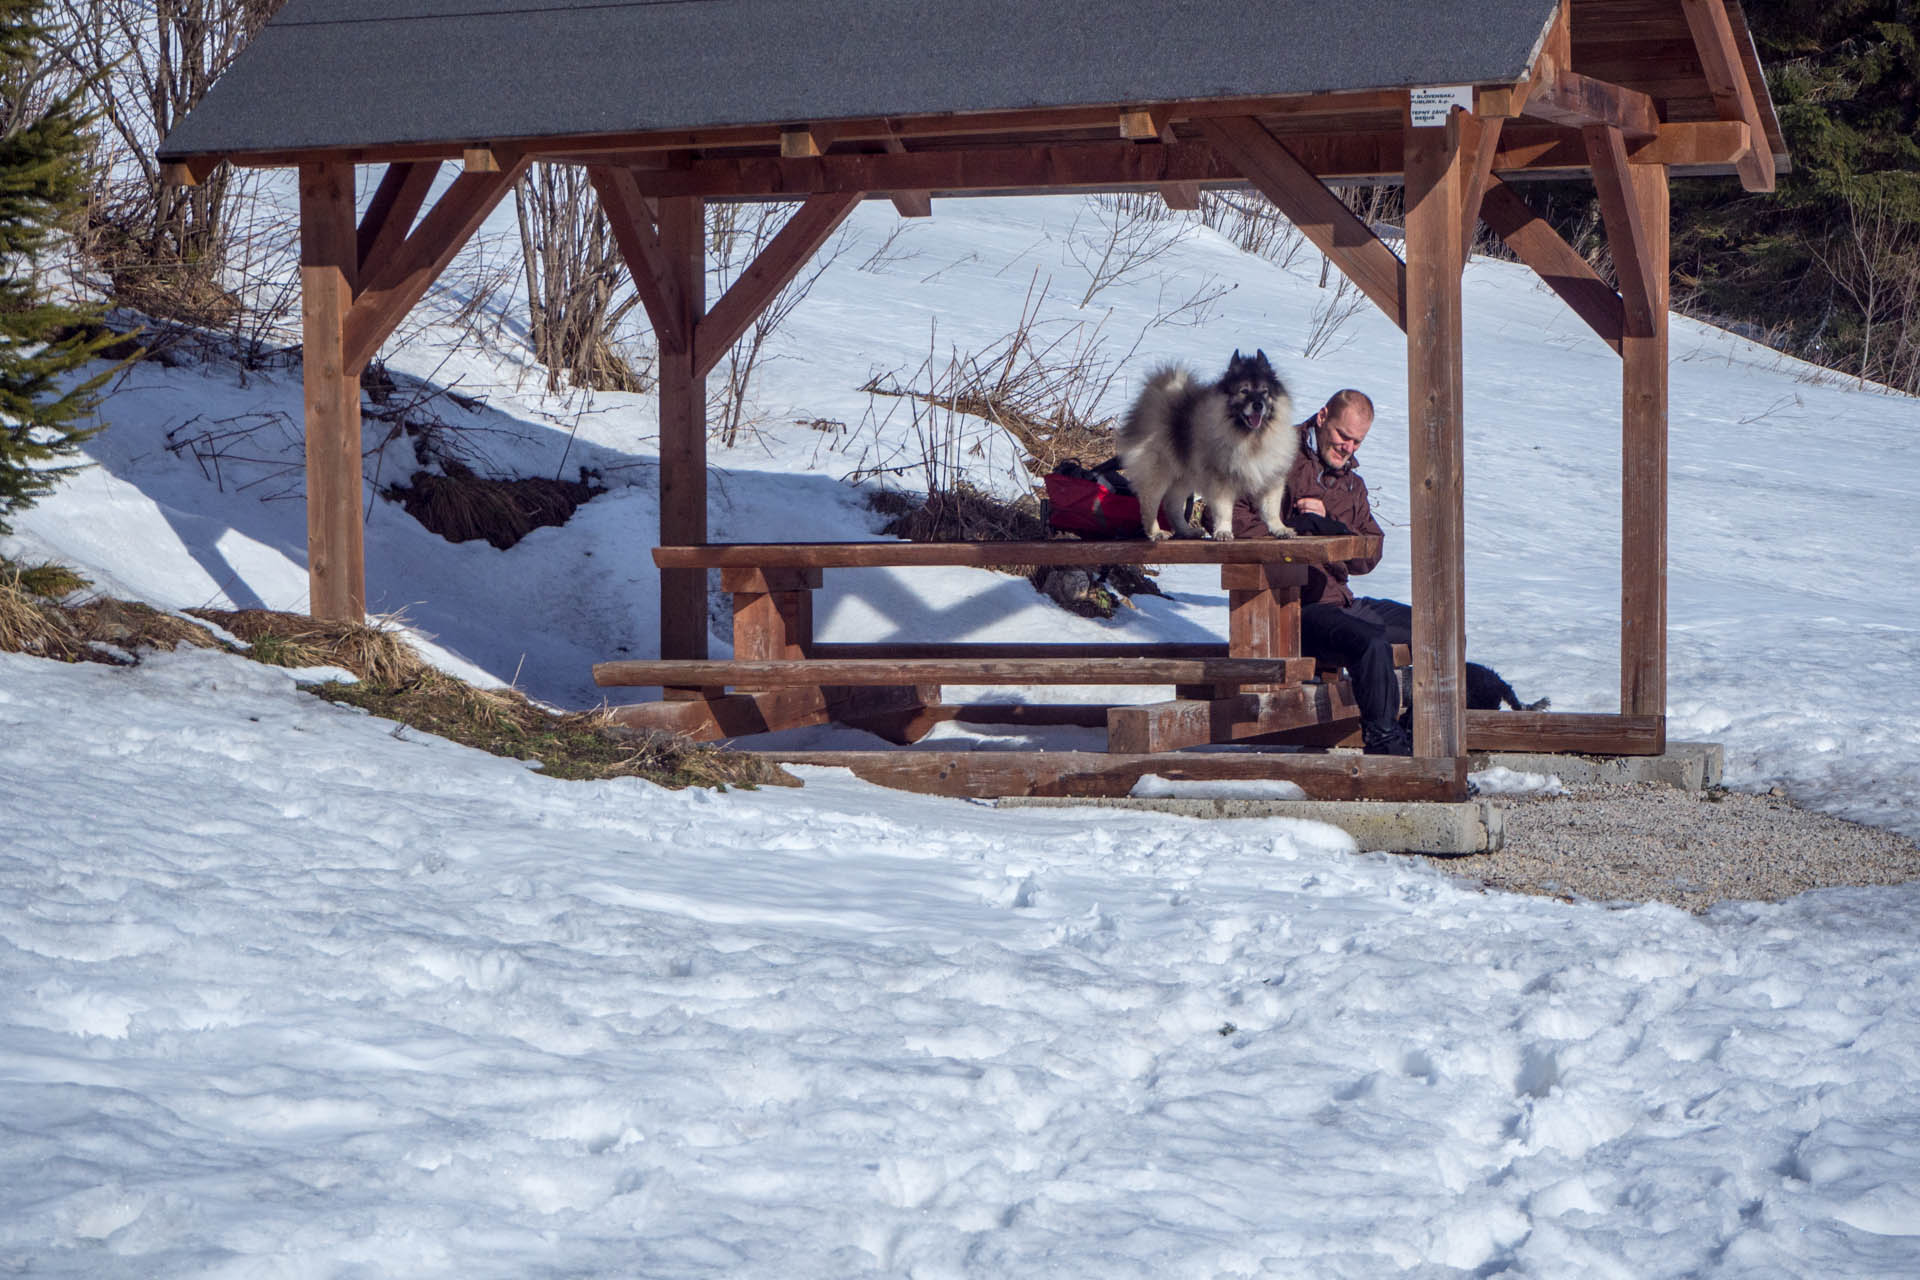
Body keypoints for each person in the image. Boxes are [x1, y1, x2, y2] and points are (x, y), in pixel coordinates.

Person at [1232, 389, 1414, 756]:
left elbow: (1369, 552)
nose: (1348, 447)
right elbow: (1233, 515)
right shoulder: (1276, 454)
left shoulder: (1351, 484)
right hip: (1295, 608)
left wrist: (1331, 525)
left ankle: (1413, 728)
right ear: (1322, 416)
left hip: (1340, 599)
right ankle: (1383, 741)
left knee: (1436, 628)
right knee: (1370, 643)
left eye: (1357, 442)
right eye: (1342, 436)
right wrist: (1292, 529)